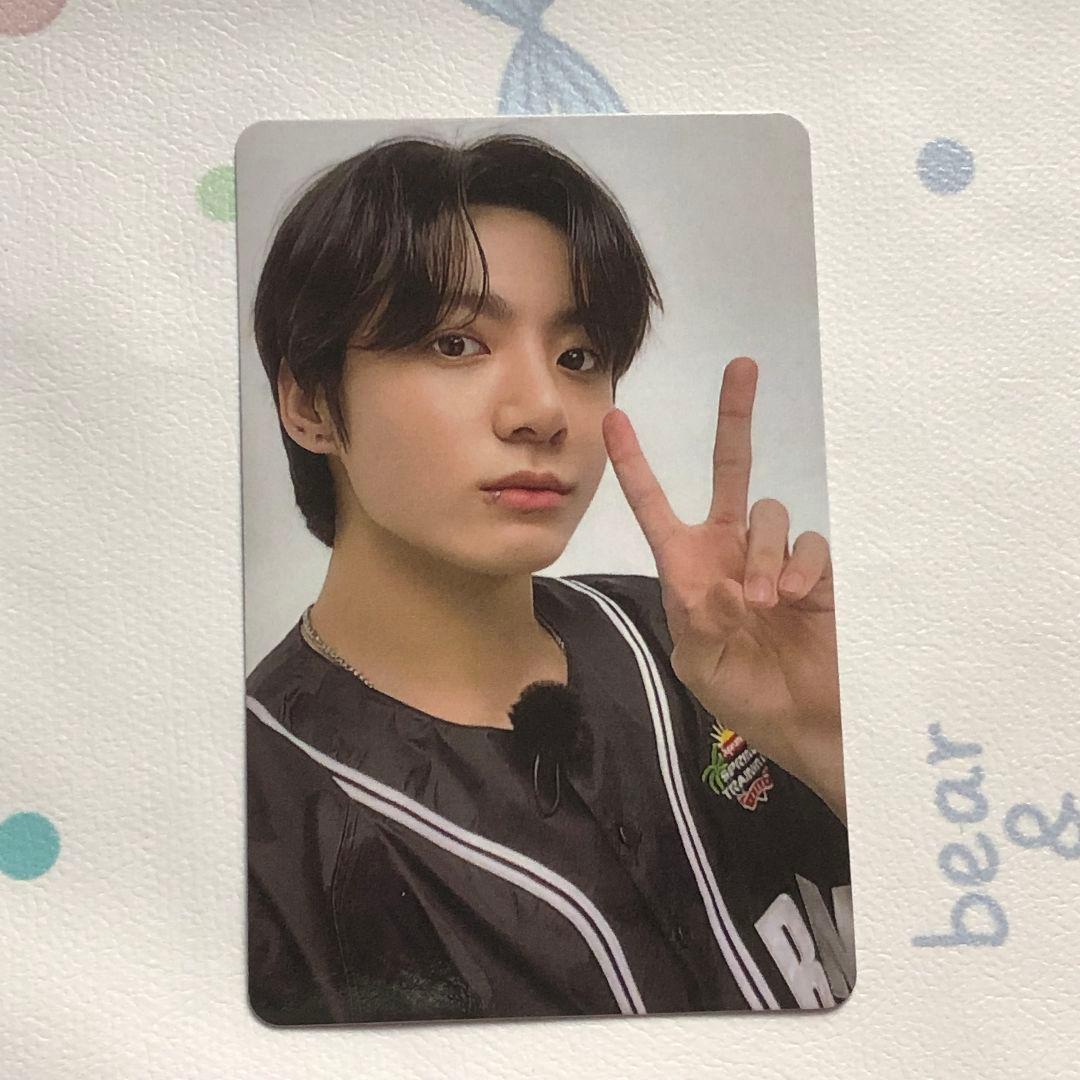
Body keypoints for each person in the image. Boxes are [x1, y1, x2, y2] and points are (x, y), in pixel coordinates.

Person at [244, 131, 854, 1026]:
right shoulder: (258, 818)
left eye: (578, 357)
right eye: (456, 343)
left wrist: (834, 738)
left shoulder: (705, 639)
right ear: (309, 403)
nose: (543, 411)